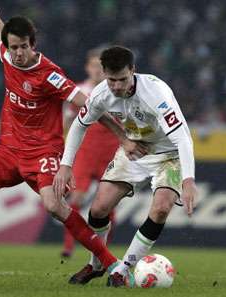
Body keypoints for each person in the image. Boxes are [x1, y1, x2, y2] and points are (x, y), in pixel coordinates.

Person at [0, 0, 140, 284]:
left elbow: (89, 106)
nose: (19, 53)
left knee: (54, 206)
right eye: (14, 47)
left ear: (32, 44)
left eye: (24, 46)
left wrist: (122, 136)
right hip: (8, 151)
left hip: (42, 153)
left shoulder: (49, 75)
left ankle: (112, 265)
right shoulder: (8, 57)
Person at [53, 46, 198, 287]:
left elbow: (182, 138)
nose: (117, 86)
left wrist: (188, 180)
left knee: (161, 208)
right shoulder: (101, 94)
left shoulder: (156, 93)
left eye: (122, 79)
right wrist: (66, 165)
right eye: (112, 80)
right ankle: (96, 264)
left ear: (133, 71)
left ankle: (123, 269)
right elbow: (79, 125)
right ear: (104, 74)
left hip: (169, 154)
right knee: (99, 209)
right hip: (135, 150)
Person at [60, 48, 119, 261]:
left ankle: (104, 250)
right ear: (87, 68)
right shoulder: (79, 90)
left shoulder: (116, 91)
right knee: (76, 196)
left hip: (110, 152)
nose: (97, 71)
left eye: (101, 67)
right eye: (93, 66)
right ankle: (68, 247)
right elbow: (67, 121)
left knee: (108, 203)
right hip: (85, 151)